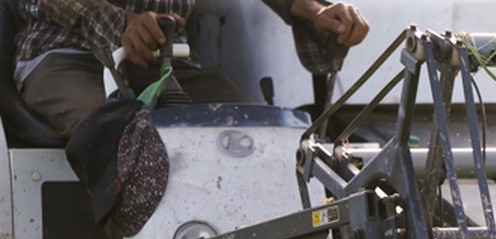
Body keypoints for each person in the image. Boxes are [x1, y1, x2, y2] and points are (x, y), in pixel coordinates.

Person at [14, 0, 369, 134]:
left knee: (258, 138)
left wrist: (317, 11)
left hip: (167, 60)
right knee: (119, 135)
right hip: (66, 54)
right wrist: (119, 23)